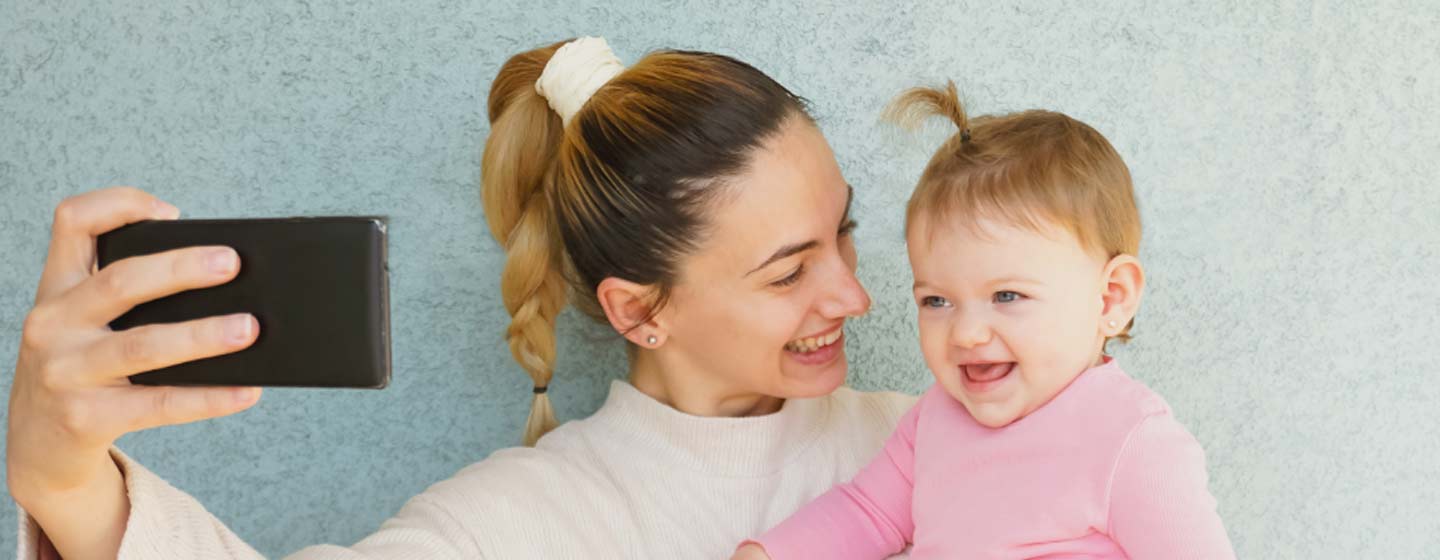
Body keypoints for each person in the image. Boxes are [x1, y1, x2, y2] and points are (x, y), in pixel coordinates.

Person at [6, 37, 916, 558]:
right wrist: (64, 481)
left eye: (843, 231)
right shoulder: (516, 525)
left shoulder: (931, 439)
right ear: (641, 311)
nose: (855, 295)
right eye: (789, 272)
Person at [734, 82, 1235, 559]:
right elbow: (867, 513)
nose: (966, 334)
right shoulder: (936, 417)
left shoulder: (1132, 439)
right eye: (937, 301)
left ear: (1110, 298)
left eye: (1007, 295)